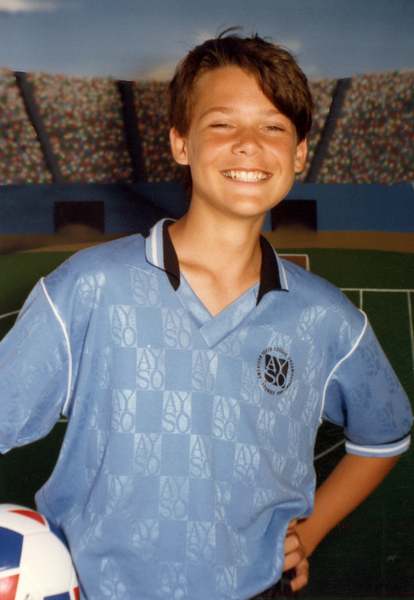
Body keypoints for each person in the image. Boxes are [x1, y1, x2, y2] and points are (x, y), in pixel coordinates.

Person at [0, 30, 412, 600]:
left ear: (299, 154)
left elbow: (385, 433)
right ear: (181, 143)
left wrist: (311, 530)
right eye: (222, 124)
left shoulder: (327, 319)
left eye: (273, 127)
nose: (248, 145)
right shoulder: (90, 287)